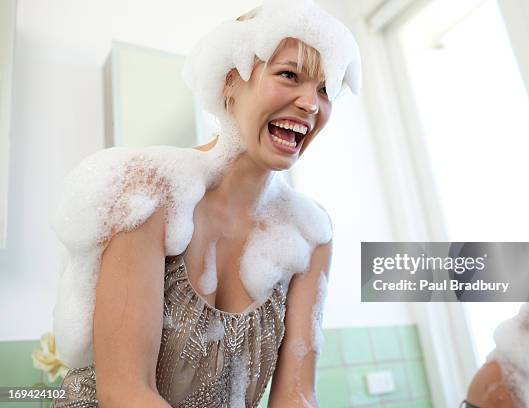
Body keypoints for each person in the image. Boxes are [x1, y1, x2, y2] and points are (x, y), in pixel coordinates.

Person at [50, 1, 362, 407]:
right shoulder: (147, 193)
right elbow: (124, 392)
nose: (310, 104)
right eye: (289, 75)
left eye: (325, 89)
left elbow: (297, 395)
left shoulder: (310, 234)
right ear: (231, 81)